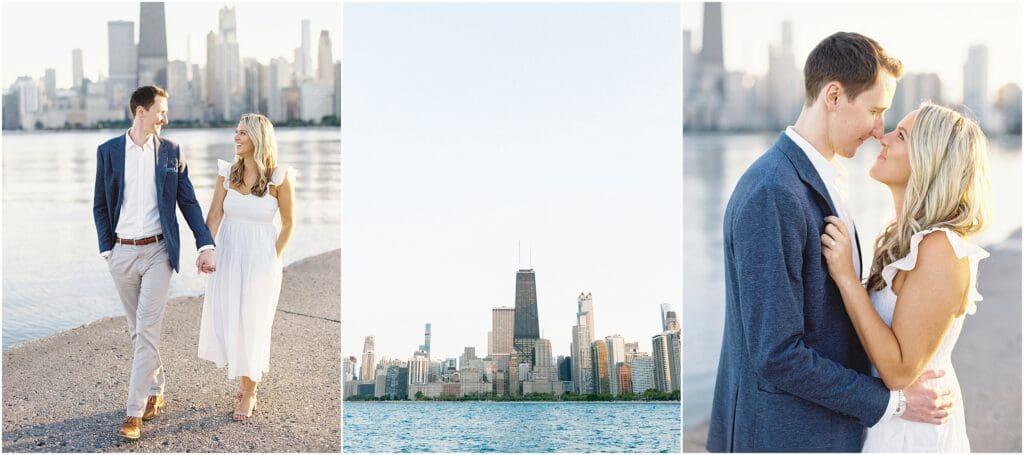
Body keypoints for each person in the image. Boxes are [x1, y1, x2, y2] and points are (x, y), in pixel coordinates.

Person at [707, 33, 951, 452]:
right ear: (834, 96)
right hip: (782, 438)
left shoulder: (821, 178)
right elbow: (776, 354)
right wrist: (891, 403)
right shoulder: (774, 192)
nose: (879, 129)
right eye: (875, 110)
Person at [821, 102, 990, 451]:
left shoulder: (941, 249)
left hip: (914, 436)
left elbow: (898, 371)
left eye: (900, 136)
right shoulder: (904, 239)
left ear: (928, 160)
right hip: (893, 421)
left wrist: (847, 278)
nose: (880, 138)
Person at [93, 85, 216, 440]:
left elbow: (188, 203)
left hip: (158, 252)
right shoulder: (109, 152)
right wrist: (107, 249)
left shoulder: (171, 152)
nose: (166, 117)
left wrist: (204, 244)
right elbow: (100, 204)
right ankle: (157, 389)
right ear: (141, 112)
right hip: (121, 253)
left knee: (147, 331)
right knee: (139, 332)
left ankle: (133, 412)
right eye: (161, 111)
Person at [197, 113, 295, 420]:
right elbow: (213, 216)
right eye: (236, 132)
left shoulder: (279, 177)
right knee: (231, 319)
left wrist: (273, 257)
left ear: (258, 138)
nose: (236, 138)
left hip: (261, 260)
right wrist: (206, 250)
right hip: (227, 255)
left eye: (242, 133)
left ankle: (249, 391)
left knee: (254, 321)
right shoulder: (226, 174)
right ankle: (243, 379)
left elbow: (289, 223)